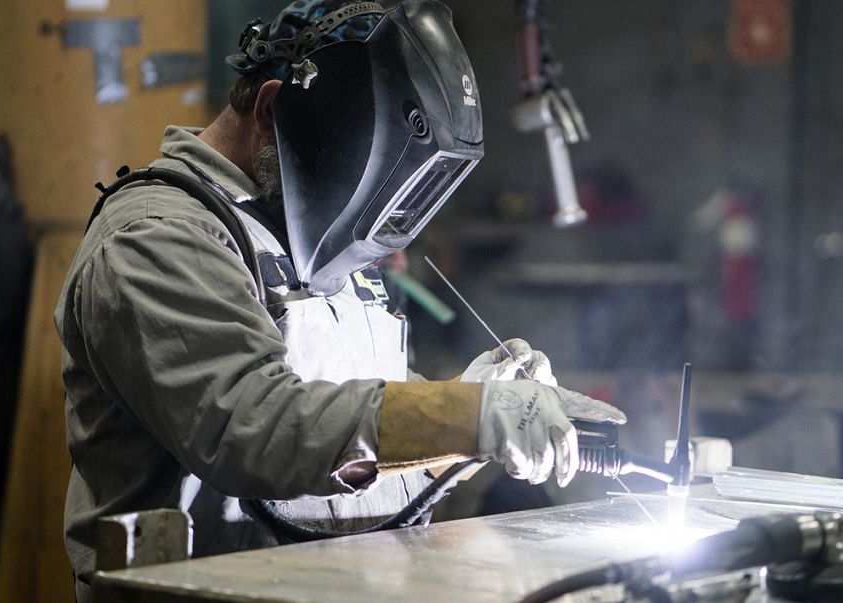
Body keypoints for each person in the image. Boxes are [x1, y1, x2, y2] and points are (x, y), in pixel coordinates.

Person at [54, 1, 625, 600]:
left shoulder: (311, 242)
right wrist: (468, 414)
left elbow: (357, 438)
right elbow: (254, 426)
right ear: (273, 108)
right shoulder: (155, 237)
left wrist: (473, 415)